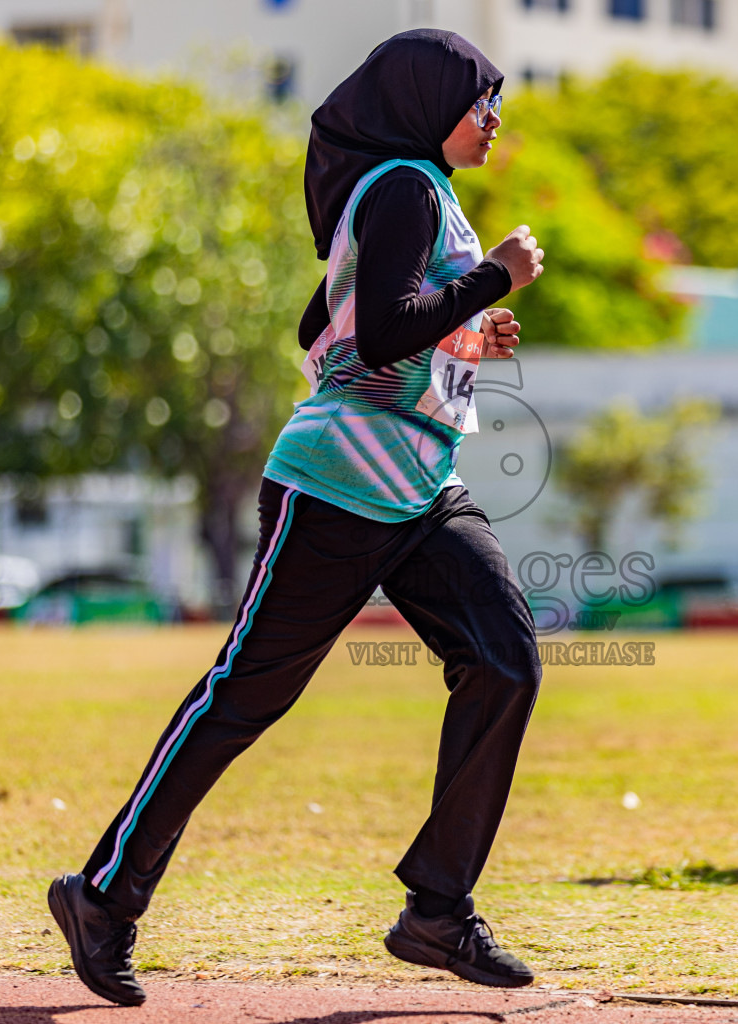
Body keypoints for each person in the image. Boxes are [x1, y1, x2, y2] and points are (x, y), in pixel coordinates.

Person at [46, 29, 547, 1007]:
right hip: (337, 487)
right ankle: (103, 897)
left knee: (504, 661)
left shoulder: (414, 193)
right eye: (483, 100)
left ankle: (438, 907)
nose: (494, 120)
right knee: (243, 695)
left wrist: (460, 330)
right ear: (427, 102)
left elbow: (322, 327)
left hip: (420, 484)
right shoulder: (403, 188)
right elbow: (388, 327)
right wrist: (494, 277)